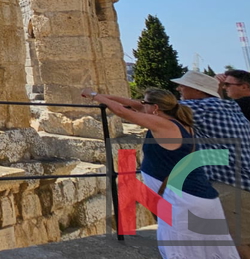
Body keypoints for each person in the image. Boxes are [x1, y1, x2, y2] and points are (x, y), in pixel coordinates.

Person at [81, 85, 238, 258]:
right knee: (208, 251)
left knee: (184, 251)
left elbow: (124, 112)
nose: (141, 105)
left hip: (184, 201)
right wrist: (104, 96)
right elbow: (133, 104)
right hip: (194, 197)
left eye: (145, 103)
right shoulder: (177, 120)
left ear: (155, 108)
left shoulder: (163, 125)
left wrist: (94, 95)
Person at [173, 70, 250, 259]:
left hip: (235, 183)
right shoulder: (234, 110)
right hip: (245, 177)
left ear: (244, 87)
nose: (224, 88)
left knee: (238, 242)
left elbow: (166, 108)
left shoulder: (238, 106)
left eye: (228, 85)